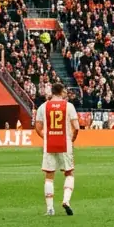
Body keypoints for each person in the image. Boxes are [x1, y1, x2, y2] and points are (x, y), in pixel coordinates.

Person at [33, 83, 78, 215]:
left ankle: (50, 209)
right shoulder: (68, 106)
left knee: (49, 176)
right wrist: (72, 138)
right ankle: (66, 200)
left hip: (50, 143)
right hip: (65, 143)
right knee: (69, 173)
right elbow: (77, 127)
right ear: (62, 92)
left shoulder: (43, 106)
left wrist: (45, 138)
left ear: (52, 92)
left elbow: (38, 127)